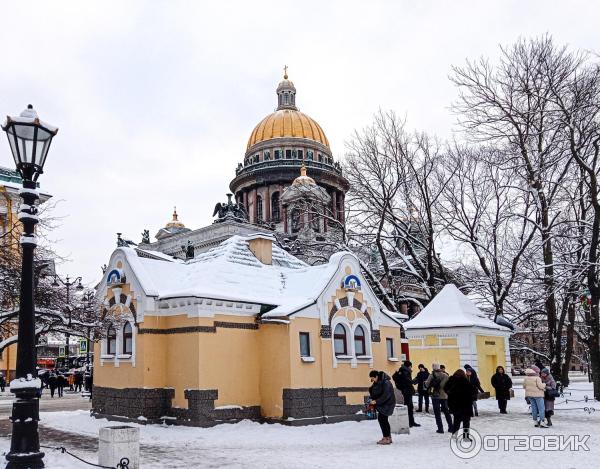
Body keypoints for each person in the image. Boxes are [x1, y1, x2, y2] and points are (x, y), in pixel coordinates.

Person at [369, 370, 396, 445]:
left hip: (387, 404)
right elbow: (375, 390)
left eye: (373, 378)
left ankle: (386, 438)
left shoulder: (386, 382)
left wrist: (376, 401)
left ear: (376, 376)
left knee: (382, 419)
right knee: (383, 420)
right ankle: (388, 437)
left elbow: (386, 395)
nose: (372, 380)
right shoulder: (378, 382)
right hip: (383, 404)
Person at [444, 369, 474, 439]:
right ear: (463, 374)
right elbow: (472, 391)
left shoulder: (451, 380)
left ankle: (454, 436)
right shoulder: (466, 381)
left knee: (456, 422)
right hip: (466, 405)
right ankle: (466, 437)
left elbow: (445, 389)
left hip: (455, 405)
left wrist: (451, 395)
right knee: (466, 422)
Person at [425, 363, 452, 434]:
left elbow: (427, 385)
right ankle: (451, 427)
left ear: (433, 368)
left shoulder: (431, 375)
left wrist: (426, 383)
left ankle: (440, 429)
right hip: (444, 396)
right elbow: (448, 385)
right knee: (446, 412)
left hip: (435, 396)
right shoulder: (445, 375)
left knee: (437, 413)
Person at [392, 360, 420, 427]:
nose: (411, 368)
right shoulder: (405, 371)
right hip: (407, 391)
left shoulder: (402, 370)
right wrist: (416, 380)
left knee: (409, 406)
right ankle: (409, 422)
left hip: (406, 391)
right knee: (408, 407)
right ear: (409, 366)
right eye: (411, 366)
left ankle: (411, 422)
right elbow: (408, 382)